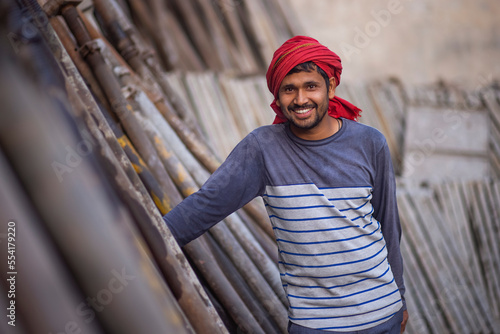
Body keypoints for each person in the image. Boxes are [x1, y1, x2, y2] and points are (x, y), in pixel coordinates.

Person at [163, 36, 408, 333]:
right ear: (277, 96)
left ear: (330, 87)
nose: (301, 99)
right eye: (289, 89)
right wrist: (143, 237)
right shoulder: (262, 149)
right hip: (315, 324)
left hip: (383, 314)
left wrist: (400, 298)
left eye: (311, 86)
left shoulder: (370, 143)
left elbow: (388, 225)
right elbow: (204, 206)